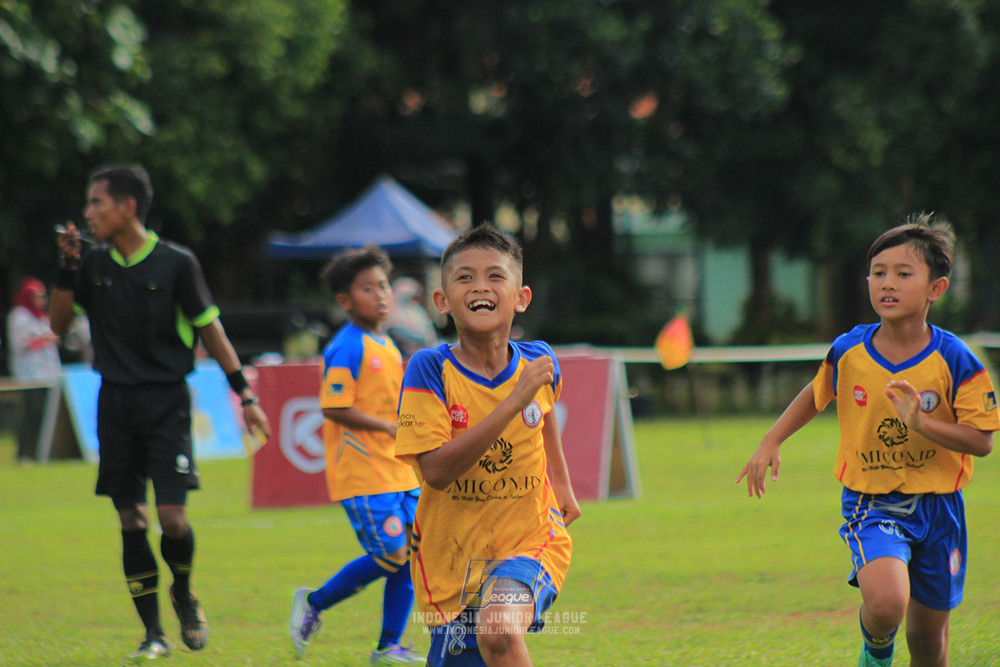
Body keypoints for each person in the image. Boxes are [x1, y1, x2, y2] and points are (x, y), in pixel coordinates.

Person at [736, 213, 998, 667]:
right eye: (878, 273)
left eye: (902, 273)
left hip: (940, 509)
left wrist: (922, 423)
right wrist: (770, 440)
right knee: (886, 604)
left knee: (929, 645)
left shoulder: (956, 359)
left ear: (936, 288)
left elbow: (981, 441)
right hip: (872, 501)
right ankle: (875, 649)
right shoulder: (849, 350)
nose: (886, 284)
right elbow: (817, 393)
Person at [50, 164, 272, 661]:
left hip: (167, 403)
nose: (88, 214)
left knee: (172, 519)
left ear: (127, 207)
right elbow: (59, 323)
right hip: (114, 403)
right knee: (130, 518)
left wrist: (247, 397)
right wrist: (66, 267)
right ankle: (154, 634)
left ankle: (184, 592)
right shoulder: (92, 265)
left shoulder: (176, 263)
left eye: (96, 203)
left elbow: (212, 332)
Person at [395, 224, 581, 666]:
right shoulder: (428, 369)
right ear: (441, 302)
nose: (480, 286)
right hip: (450, 562)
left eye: (495, 276)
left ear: (521, 297)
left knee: (497, 629)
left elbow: (545, 411)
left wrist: (563, 484)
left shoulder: (540, 361)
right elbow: (436, 472)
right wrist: (511, 403)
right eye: (464, 277)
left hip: (530, 540)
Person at [288, 245, 424, 665]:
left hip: (400, 469)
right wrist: (386, 426)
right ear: (345, 301)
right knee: (391, 554)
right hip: (365, 473)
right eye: (368, 288)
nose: (381, 294)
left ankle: (388, 647)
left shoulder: (388, 344)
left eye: (384, 285)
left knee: (408, 558)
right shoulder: (347, 346)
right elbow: (333, 406)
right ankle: (313, 602)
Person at [6, 277, 62, 463]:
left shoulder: (42, 317)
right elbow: (19, 345)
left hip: (48, 375)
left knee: (46, 415)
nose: (42, 299)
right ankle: (25, 453)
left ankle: (41, 452)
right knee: (31, 413)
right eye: (38, 295)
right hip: (29, 376)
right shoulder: (19, 316)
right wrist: (46, 339)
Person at [386, 276, 440, 360]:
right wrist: (420, 340)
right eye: (409, 297)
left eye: (415, 297)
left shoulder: (418, 311)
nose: (413, 301)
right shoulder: (393, 314)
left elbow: (430, 334)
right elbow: (398, 334)